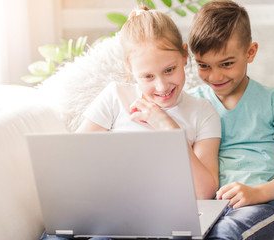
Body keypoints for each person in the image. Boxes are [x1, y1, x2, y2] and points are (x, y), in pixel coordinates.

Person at [40, 5, 221, 240]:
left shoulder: (203, 112)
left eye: (169, 70)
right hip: (106, 211)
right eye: (147, 76)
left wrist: (168, 127)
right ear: (130, 70)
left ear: (185, 56)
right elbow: (72, 162)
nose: (161, 86)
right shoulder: (115, 96)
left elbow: (205, 191)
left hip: (164, 221)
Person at [187, 0, 274, 239]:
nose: (215, 75)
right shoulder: (191, 102)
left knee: (227, 231)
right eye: (203, 65)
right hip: (207, 204)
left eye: (227, 64)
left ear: (250, 52)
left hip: (260, 203)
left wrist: (257, 193)